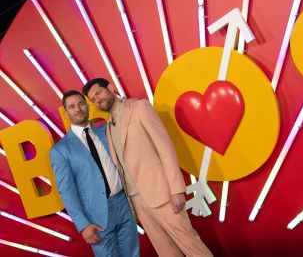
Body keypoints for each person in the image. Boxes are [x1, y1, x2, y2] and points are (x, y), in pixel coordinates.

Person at [83, 78, 212, 257]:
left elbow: (165, 148)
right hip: (138, 203)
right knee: (166, 253)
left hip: (163, 195)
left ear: (110, 88)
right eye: (93, 99)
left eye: (98, 93)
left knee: (191, 246)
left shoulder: (139, 108)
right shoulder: (107, 128)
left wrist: (176, 190)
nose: (97, 100)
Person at [50, 90, 140, 256]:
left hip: (124, 204)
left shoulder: (105, 131)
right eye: (72, 106)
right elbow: (67, 192)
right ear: (66, 112)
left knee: (133, 253)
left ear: (87, 106)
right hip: (96, 217)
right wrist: (83, 225)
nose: (77, 109)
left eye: (81, 104)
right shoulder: (61, 150)